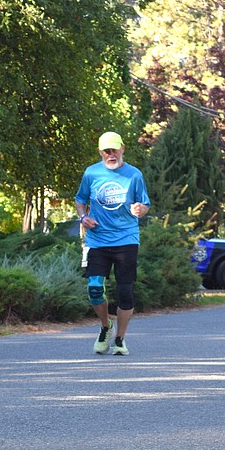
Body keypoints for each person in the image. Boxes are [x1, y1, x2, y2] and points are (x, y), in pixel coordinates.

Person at [75, 131, 150, 356]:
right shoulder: (91, 173)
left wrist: (140, 209)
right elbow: (80, 200)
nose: (111, 154)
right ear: (100, 152)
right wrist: (82, 217)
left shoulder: (134, 175)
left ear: (122, 149)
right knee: (94, 290)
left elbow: (144, 204)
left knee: (125, 292)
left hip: (126, 240)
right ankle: (106, 327)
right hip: (97, 240)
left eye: (114, 149)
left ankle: (120, 338)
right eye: (106, 150)